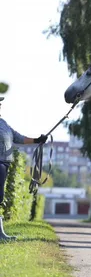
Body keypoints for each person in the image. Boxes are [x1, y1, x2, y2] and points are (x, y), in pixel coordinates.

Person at [0, 96, 48, 241]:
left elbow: (18, 138)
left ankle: (0, 234)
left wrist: (36, 140)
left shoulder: (3, 123)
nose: (0, 105)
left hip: (5, 163)